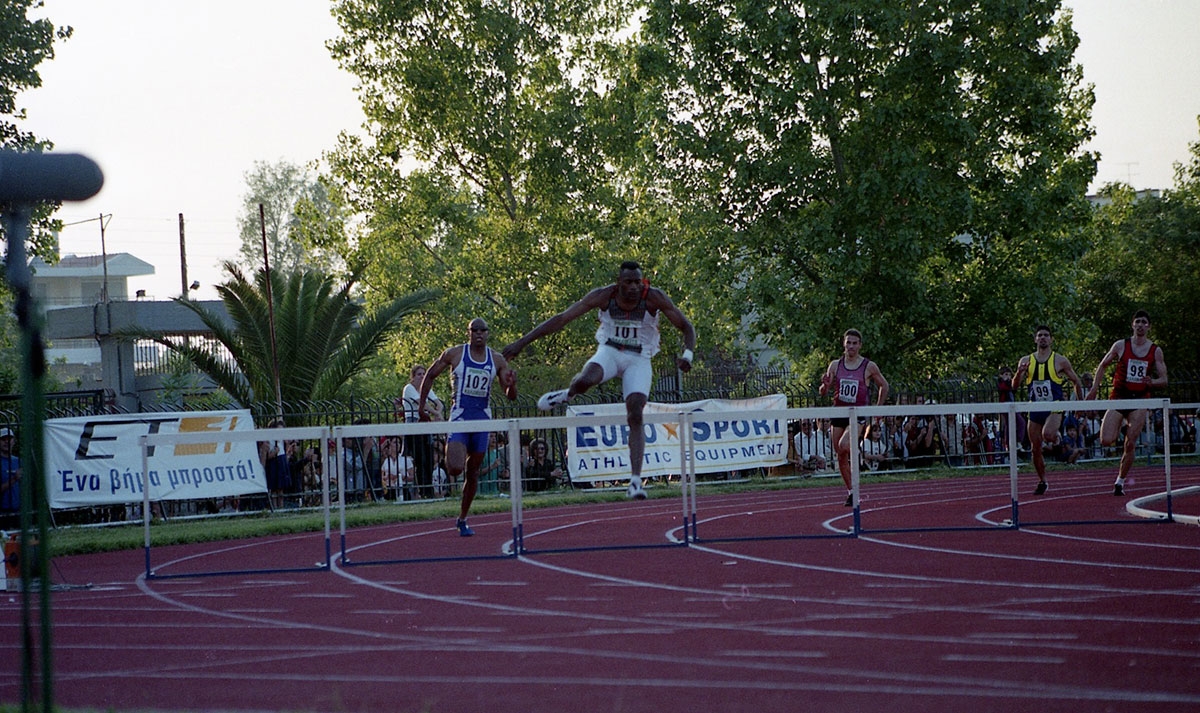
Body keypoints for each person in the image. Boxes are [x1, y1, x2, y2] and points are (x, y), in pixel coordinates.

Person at [502, 260, 696, 500]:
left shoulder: (653, 297)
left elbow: (686, 326)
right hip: (610, 351)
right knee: (585, 381)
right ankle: (567, 394)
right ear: (619, 283)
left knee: (635, 411)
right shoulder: (604, 296)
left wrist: (688, 354)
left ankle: (635, 481)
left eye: (638, 281)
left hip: (640, 357)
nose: (634, 287)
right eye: (628, 282)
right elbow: (562, 319)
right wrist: (521, 343)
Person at [419, 317, 518, 536]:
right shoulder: (455, 354)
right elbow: (430, 374)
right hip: (460, 417)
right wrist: (421, 407)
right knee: (455, 467)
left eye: (483, 330)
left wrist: (512, 385)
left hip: (482, 420)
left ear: (488, 333)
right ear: (469, 333)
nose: (479, 334)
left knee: (472, 472)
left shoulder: (497, 360)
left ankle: (462, 518)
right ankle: (454, 448)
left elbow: (510, 395)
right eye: (475, 330)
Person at [1085, 310, 1168, 496]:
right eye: (1137, 321)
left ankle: (1120, 481)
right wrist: (1094, 389)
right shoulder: (1121, 345)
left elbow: (1164, 379)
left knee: (1130, 444)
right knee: (1106, 440)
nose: (1140, 325)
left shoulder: (1155, 350)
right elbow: (1103, 365)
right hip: (1119, 396)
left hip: (1140, 399)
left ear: (1149, 326)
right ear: (1132, 325)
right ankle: (1122, 425)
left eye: (1144, 322)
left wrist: (1151, 382)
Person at [1010, 325, 1085, 495]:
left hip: (1054, 406)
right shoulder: (1025, 361)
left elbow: (1076, 381)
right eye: (1040, 335)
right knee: (1035, 449)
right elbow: (1014, 386)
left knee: (1048, 435)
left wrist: (1080, 404)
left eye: (1046, 335)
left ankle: (1057, 438)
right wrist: (1019, 373)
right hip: (1035, 407)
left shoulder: (1060, 360)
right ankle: (1042, 480)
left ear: (1051, 339)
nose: (1043, 338)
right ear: (1035, 339)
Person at [819, 329, 889, 506]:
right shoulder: (835, 365)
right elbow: (823, 392)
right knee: (840, 455)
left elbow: (884, 386)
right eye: (848, 342)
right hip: (839, 412)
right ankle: (852, 492)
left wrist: (877, 410)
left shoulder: (868, 366)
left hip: (857, 413)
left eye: (854, 343)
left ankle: (859, 456)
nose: (851, 346)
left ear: (860, 345)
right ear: (844, 343)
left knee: (845, 445)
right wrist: (825, 386)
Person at [397, 364, 443, 498]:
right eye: (419, 374)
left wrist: (437, 413)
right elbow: (421, 404)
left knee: (428, 458)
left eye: (424, 374)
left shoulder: (426, 388)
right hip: (414, 423)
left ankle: (429, 490)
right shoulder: (409, 388)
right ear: (413, 376)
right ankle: (423, 491)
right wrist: (436, 413)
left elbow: (438, 403)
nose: (422, 376)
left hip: (425, 423)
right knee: (420, 459)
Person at [0, 428, 21, 531]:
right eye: (3, 439)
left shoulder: (18, 461)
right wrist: (14, 479)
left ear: (14, 441)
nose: (6, 441)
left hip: (18, 510)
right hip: (2, 512)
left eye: (9, 439)